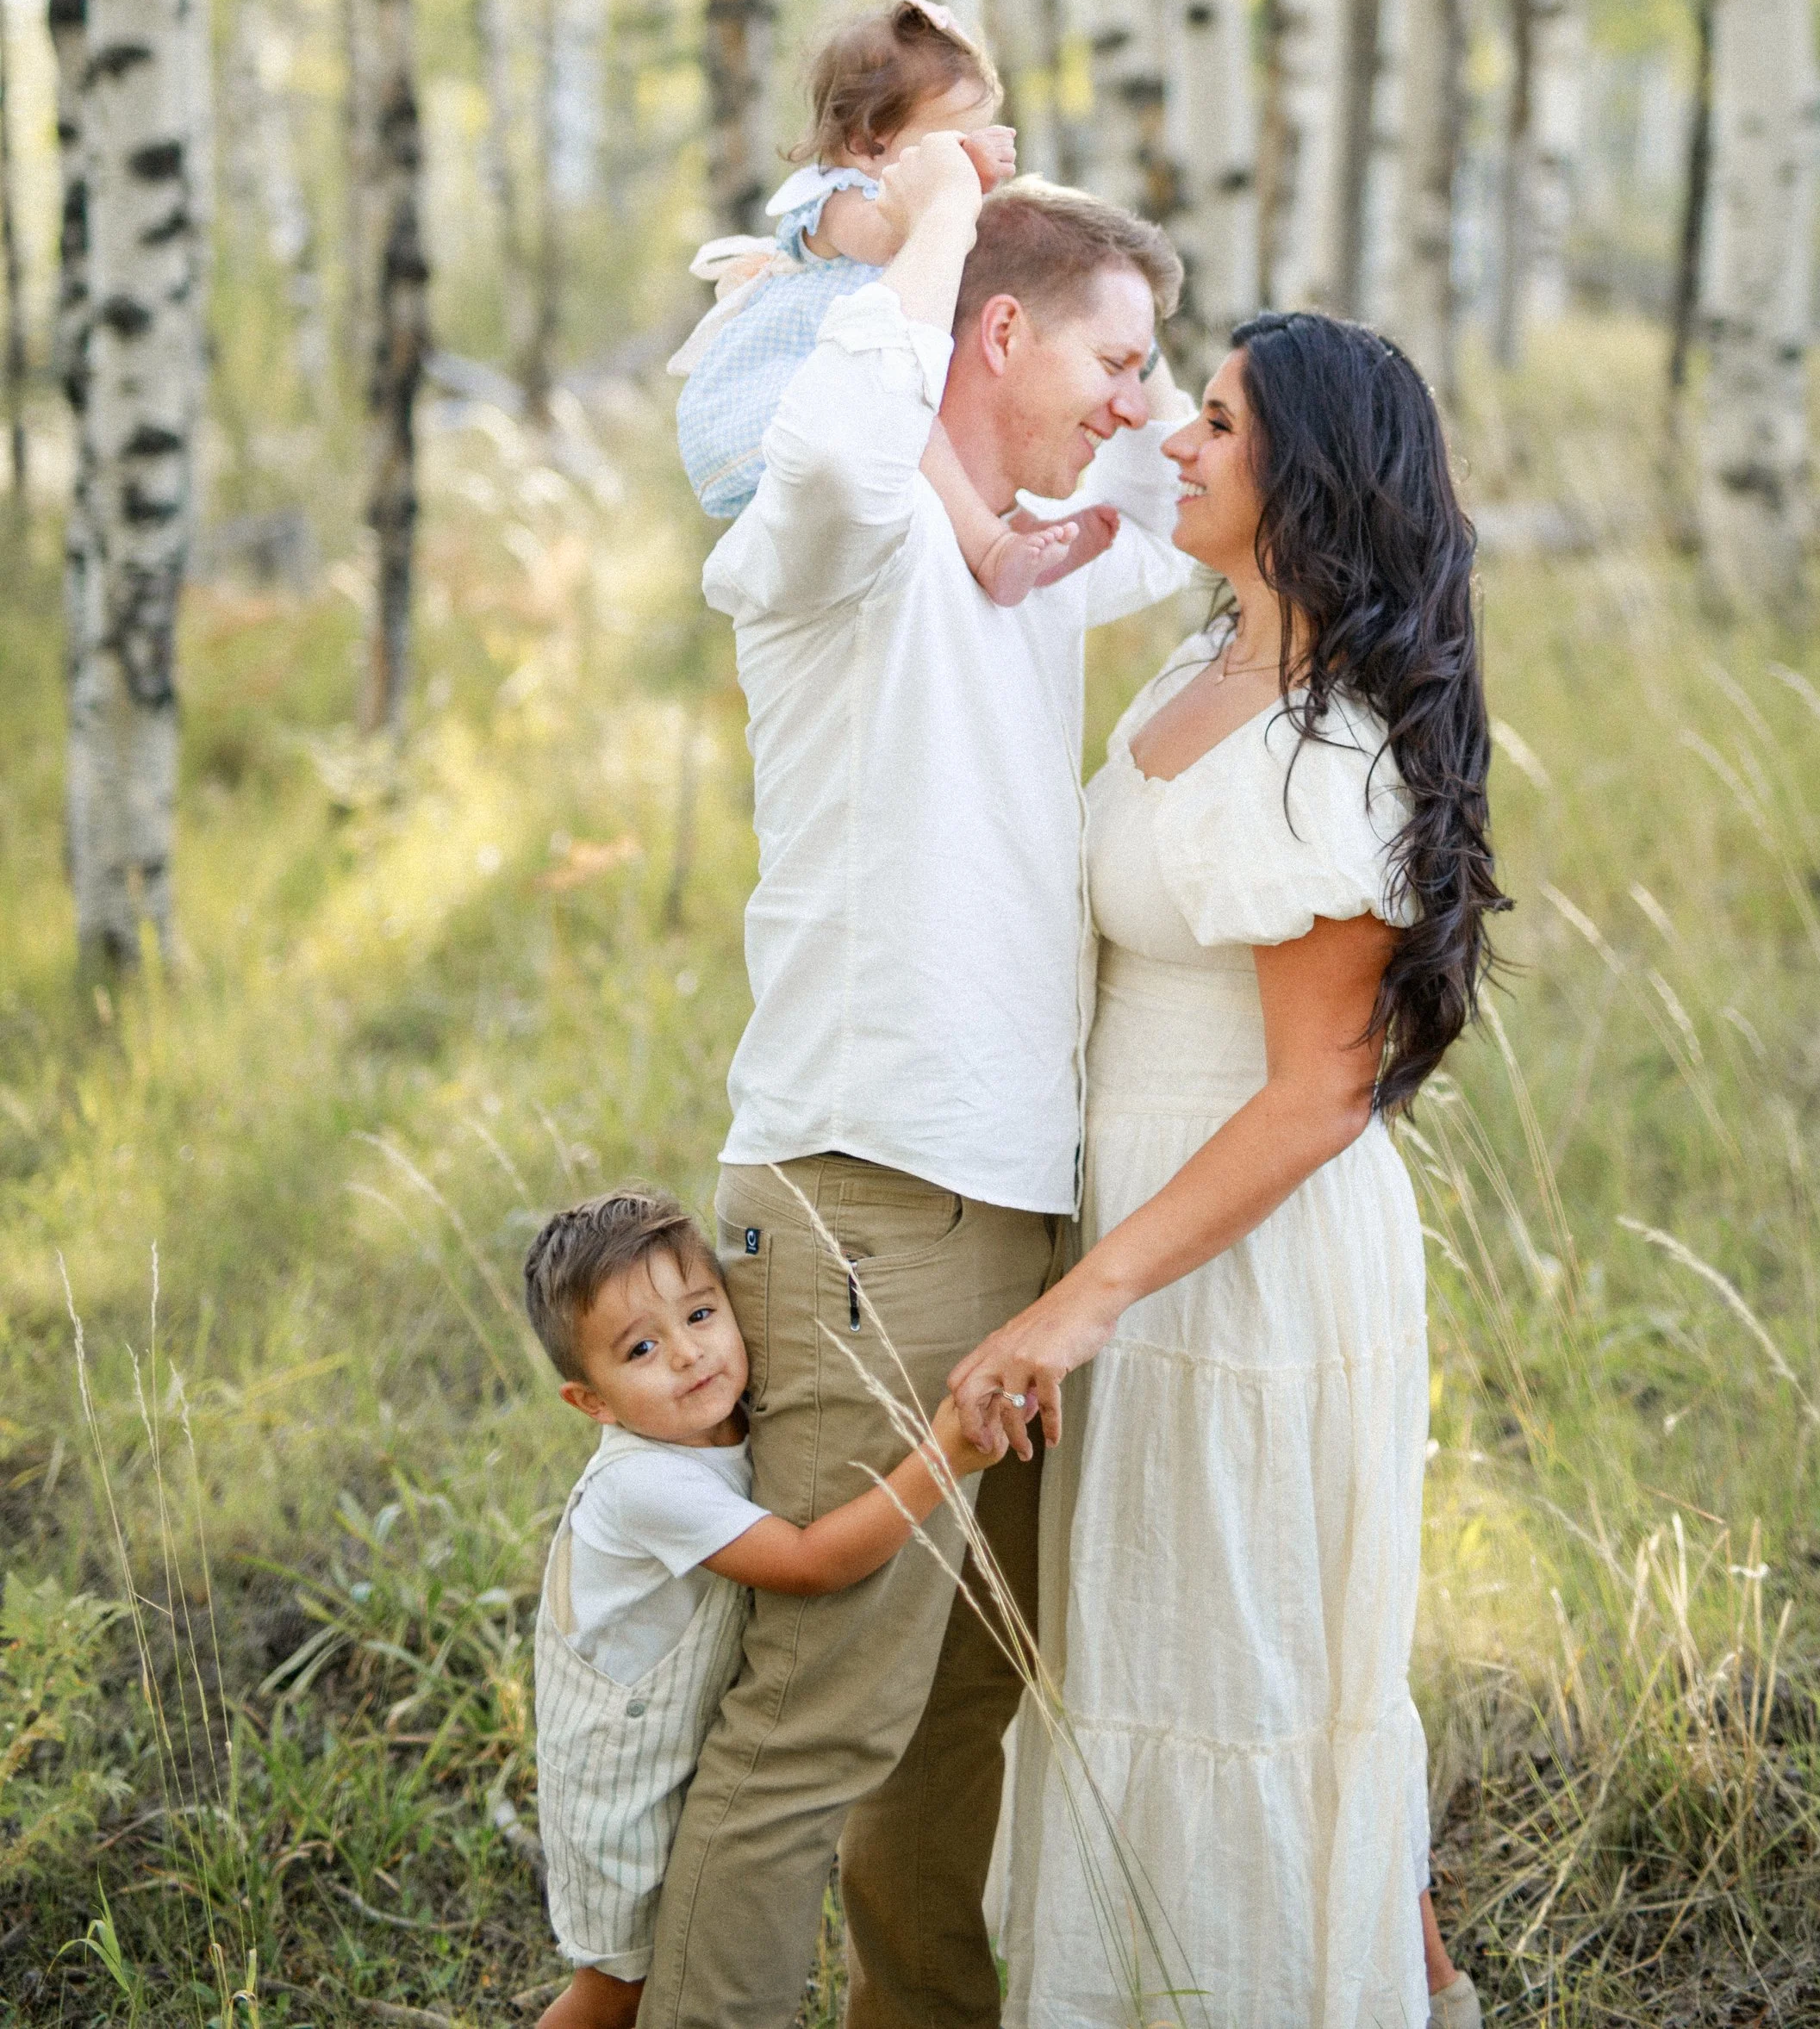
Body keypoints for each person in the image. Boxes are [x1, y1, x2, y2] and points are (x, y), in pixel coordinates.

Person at [638, 145, 1194, 2029]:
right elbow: (822, 439)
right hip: (865, 1186)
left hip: (1015, 1202)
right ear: (993, 329)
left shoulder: (1032, 557)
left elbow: (1200, 469)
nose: (1136, 409)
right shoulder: (846, 532)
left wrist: (1079, 319)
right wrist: (926, 211)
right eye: (1109, 361)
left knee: (965, 1702)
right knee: (822, 1715)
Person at [949, 310, 1506, 2029]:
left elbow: (1315, 1096)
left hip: (1238, 1266)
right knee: (1131, 1665)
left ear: (1308, 478)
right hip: (1135, 1235)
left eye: (1211, 421)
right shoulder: (1194, 671)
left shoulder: (1319, 747)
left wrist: (1077, 1306)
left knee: (1237, 1680)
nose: (1173, 445)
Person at [520, 1187, 1006, 2029]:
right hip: (619, 1784)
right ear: (591, 1403)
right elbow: (814, 1564)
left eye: (700, 1314)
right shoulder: (646, 1484)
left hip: (678, 1750)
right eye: (640, 1348)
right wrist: (944, 1455)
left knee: (671, 1947)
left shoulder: (729, 1421)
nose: (687, 1355)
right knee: (618, 1988)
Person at [670, 0, 1095, 606]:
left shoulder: (897, 191)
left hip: (860, 378)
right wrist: (960, 182)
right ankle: (992, 547)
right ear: (870, 142)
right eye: (953, 140)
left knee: (946, 412)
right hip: (785, 394)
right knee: (915, 425)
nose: (965, 157)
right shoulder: (835, 199)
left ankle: (1001, 523)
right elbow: (884, 238)